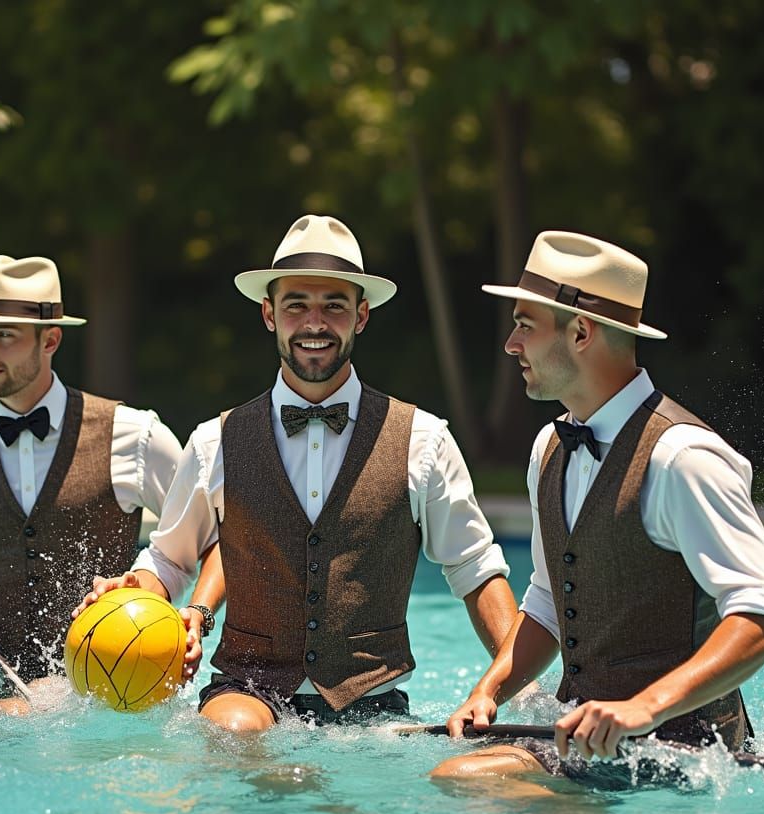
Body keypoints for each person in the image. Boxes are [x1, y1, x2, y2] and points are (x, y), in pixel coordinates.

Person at [79, 214, 518, 731]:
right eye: (296, 305)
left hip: (374, 705)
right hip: (246, 690)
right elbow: (169, 560)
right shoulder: (213, 441)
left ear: (362, 315)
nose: (315, 323)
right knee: (232, 735)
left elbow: (475, 570)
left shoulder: (423, 440)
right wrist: (136, 591)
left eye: (334, 305)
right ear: (269, 314)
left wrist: (513, 686)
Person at [433, 230, 764, 782]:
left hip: (686, 757)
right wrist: (488, 692)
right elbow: (550, 600)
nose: (511, 344)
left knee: (463, 782)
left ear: (580, 332)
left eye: (525, 325)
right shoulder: (547, 448)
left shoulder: (683, 457)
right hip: (584, 747)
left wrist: (643, 709)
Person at [0, 255, 183, 705]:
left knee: (11, 719)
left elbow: (207, 536)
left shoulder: (134, 435)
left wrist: (187, 615)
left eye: (3, 335)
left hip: (110, 694)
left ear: (51, 339)